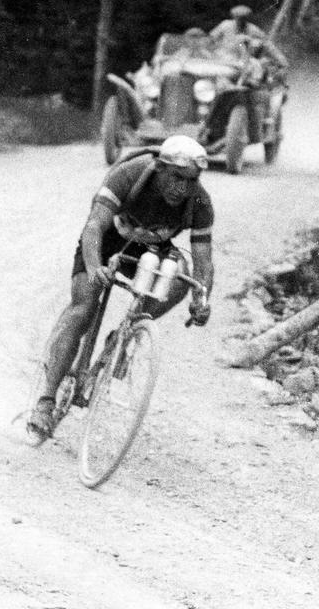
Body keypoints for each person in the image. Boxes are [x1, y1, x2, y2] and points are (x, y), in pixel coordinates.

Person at [27, 135, 215, 442]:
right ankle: (45, 402)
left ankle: (128, 331)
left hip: (151, 249)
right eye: (177, 178)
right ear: (160, 168)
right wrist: (93, 267)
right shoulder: (131, 174)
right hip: (107, 243)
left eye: (191, 181)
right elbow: (93, 227)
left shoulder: (199, 201)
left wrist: (203, 297)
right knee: (84, 307)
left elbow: (204, 262)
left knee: (181, 278)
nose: (183, 188)